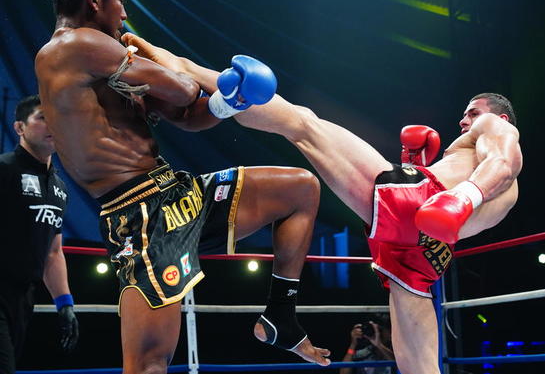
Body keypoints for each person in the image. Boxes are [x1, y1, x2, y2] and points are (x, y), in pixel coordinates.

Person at [119, 32, 523, 374]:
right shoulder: (484, 176)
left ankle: (191, 69)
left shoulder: (494, 130)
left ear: (499, 117)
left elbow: (504, 162)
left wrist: (460, 197)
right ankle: (187, 69)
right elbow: (462, 199)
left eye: (472, 113)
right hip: (423, 253)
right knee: (422, 370)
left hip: (420, 205)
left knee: (302, 123)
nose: (464, 120)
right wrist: (429, 175)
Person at [34, 0, 330, 373]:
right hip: (140, 214)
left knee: (300, 188)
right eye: (121, 0)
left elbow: (189, 116)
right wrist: (156, 56)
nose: (125, 13)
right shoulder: (72, 45)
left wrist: (230, 101)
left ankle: (281, 316)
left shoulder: (108, 60)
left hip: (176, 192)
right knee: (149, 364)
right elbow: (184, 89)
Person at [0, 95, 79, 374]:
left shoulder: (59, 188)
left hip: (23, 298)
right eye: (43, 117)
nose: (52, 124)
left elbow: (53, 252)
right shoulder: (4, 169)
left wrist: (64, 304)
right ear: (19, 128)